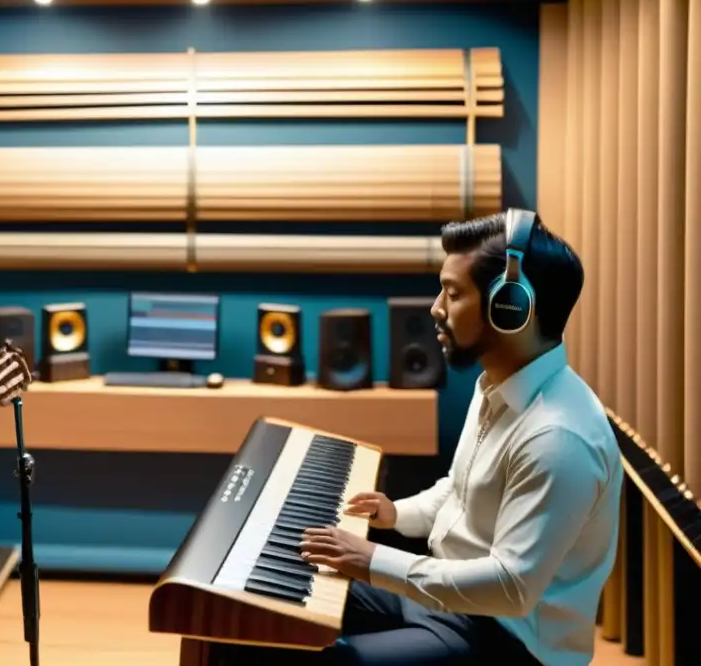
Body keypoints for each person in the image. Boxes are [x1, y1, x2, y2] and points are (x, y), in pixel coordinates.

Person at [219, 209, 623, 666]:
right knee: (258, 606)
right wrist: (396, 515)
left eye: (452, 293)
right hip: (447, 599)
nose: (435, 307)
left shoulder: (558, 437)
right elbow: (459, 490)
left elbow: (511, 587)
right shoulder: (496, 384)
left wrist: (373, 558)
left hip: (510, 641)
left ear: (509, 308)